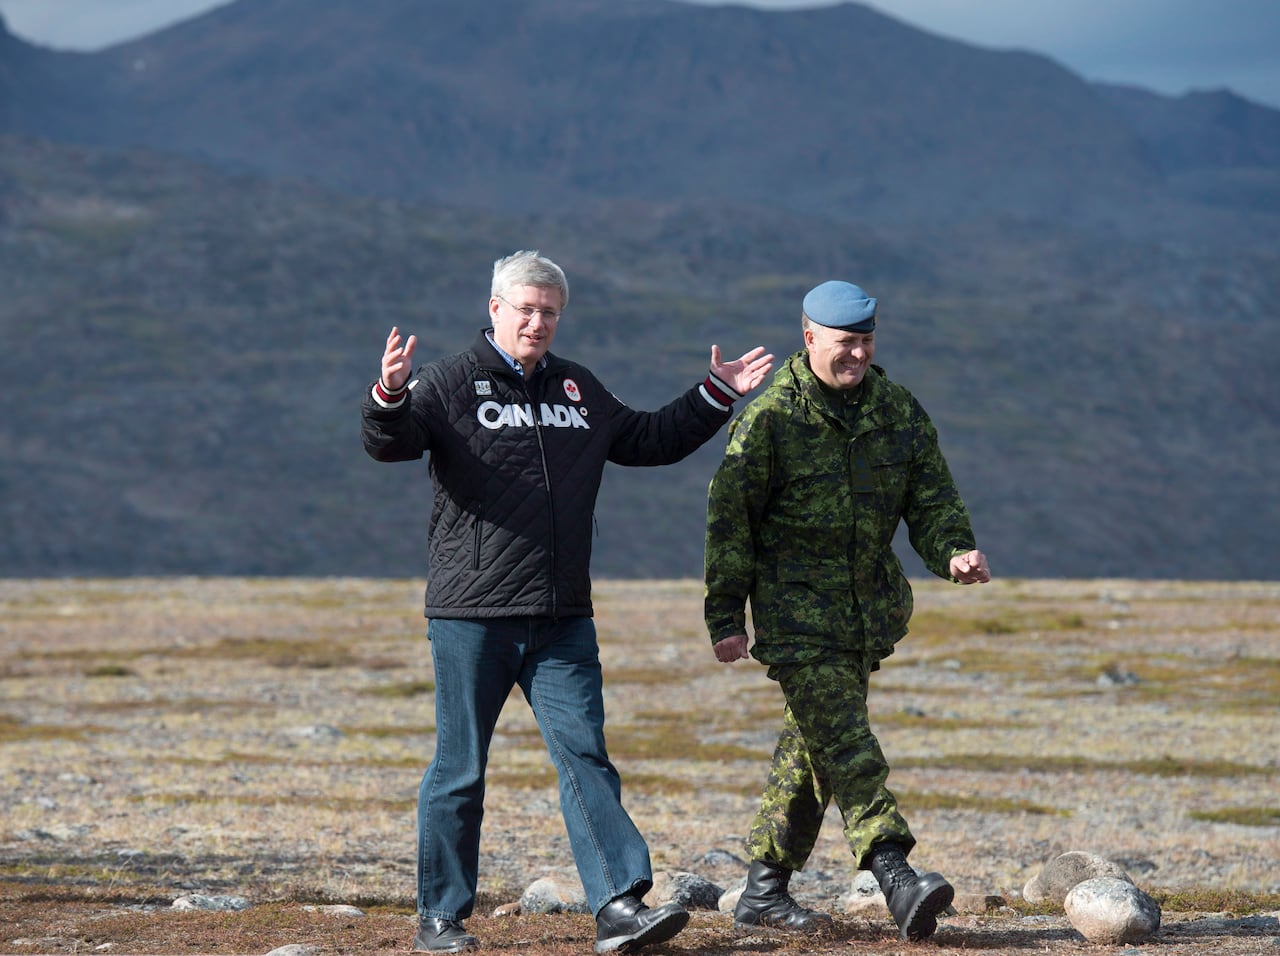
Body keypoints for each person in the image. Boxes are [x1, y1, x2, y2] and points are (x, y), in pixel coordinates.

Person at [361, 250, 774, 954]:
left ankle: (617, 906)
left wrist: (714, 392)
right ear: (494, 309)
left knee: (586, 756)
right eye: (524, 308)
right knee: (460, 768)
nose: (537, 321)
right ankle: (440, 918)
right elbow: (389, 445)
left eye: (549, 311)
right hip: (472, 614)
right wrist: (389, 395)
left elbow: (646, 439)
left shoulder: (577, 389)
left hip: (561, 618)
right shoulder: (449, 384)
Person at [703, 279, 991, 942]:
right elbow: (731, 522)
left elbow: (931, 494)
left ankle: (763, 893)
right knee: (848, 743)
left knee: (815, 745)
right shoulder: (771, 418)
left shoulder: (895, 410)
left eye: (865, 341)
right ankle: (895, 871)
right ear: (809, 339)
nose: (857, 354)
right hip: (795, 616)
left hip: (866, 614)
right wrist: (726, 616)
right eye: (844, 343)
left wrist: (953, 550)